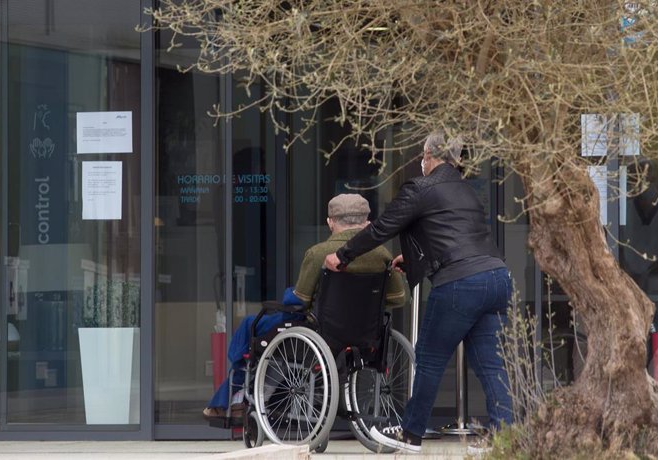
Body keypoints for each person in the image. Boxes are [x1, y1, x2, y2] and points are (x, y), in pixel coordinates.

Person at [324, 131, 513, 454]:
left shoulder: (421, 188)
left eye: (423, 156)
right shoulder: (466, 190)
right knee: (492, 366)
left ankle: (409, 434)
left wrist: (342, 256)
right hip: (495, 277)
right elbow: (450, 234)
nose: (421, 162)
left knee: (428, 360)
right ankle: (507, 437)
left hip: (459, 283)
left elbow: (382, 227)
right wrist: (410, 260)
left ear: (429, 156)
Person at [203, 193, 406, 419]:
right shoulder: (382, 254)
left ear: (330, 222)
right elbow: (398, 298)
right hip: (367, 334)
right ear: (367, 222)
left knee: (252, 327)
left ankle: (233, 395)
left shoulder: (319, 253)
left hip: (322, 335)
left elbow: (299, 302)